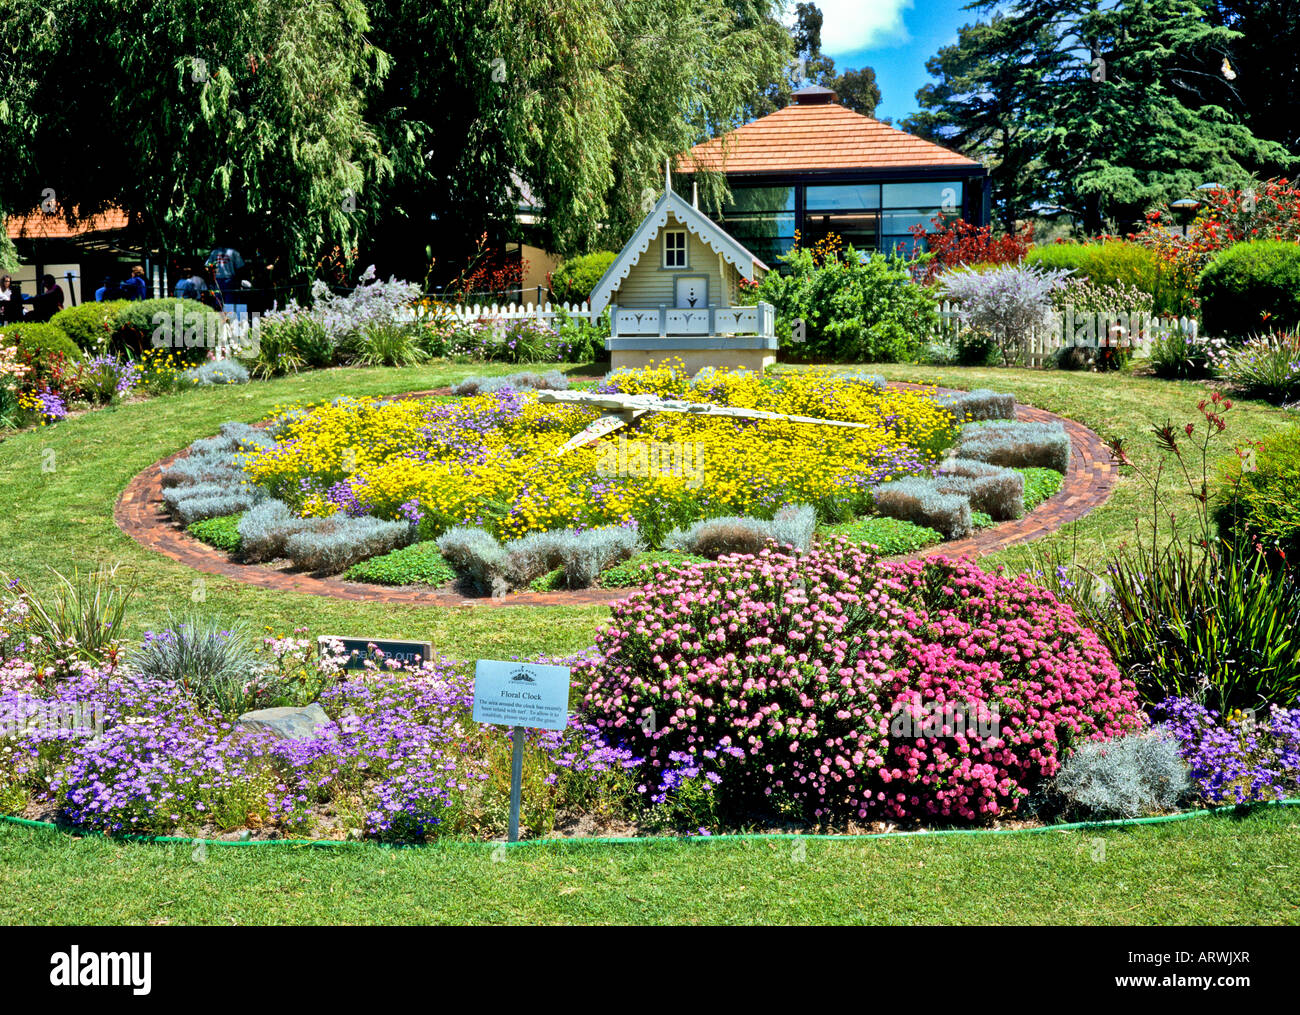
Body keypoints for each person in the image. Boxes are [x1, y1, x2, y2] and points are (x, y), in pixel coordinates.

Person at [205, 245, 244, 311]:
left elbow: (207, 266)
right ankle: (227, 319)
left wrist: (212, 275)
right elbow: (240, 267)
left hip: (221, 279)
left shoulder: (215, 252)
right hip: (228, 279)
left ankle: (221, 318)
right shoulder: (233, 252)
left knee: (220, 301)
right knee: (228, 302)